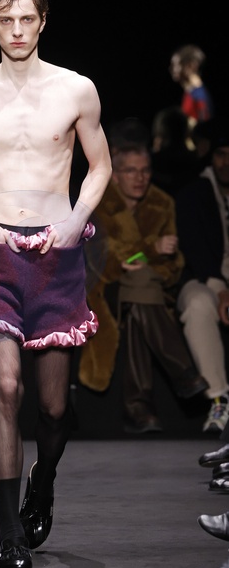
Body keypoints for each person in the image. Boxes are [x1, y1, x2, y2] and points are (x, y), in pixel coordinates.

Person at [0, 0, 112, 568]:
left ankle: (45, 479)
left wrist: (78, 218)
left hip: (58, 255)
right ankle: (10, 536)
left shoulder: (76, 89)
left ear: (42, 21)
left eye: (27, 19)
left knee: (55, 408)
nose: (16, 31)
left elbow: (99, 165)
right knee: (6, 387)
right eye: (6, 20)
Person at [77, 142, 208, 433]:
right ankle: (182, 372)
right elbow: (104, 260)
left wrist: (146, 261)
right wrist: (151, 250)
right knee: (140, 284)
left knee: (140, 290)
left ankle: (139, 409)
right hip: (103, 289)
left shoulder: (162, 203)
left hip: (149, 290)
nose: (140, 178)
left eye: (146, 170)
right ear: (114, 176)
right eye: (131, 171)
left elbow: (173, 264)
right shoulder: (98, 203)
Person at [175, 121, 229, 433]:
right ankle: (220, 400)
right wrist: (221, 290)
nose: (227, 162)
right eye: (221, 154)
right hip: (203, 279)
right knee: (197, 303)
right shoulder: (194, 193)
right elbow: (196, 251)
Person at [169, 44, 214, 144]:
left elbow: (203, 128)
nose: (172, 69)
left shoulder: (199, 95)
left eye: (176, 64)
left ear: (192, 65)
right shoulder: (191, 92)